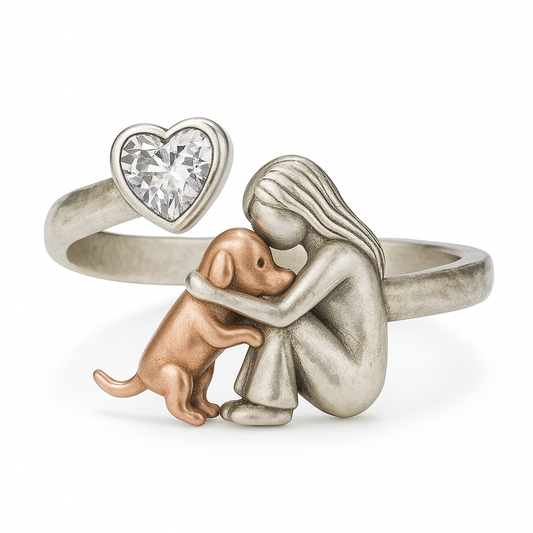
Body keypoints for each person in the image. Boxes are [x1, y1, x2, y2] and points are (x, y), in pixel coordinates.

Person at [186, 155, 388, 425]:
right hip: (337, 367)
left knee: (279, 314)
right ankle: (256, 397)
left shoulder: (340, 256)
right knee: (270, 307)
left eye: (259, 218)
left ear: (296, 207)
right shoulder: (323, 256)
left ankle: (272, 405)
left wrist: (213, 294)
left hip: (352, 383)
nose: (256, 229)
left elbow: (283, 314)